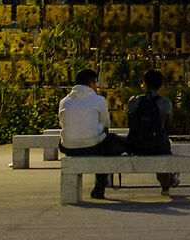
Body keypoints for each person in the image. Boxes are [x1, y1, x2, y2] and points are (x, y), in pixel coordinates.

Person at [59, 68, 130, 200]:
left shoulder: (64, 101)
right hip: (92, 146)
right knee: (107, 144)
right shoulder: (99, 100)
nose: (97, 87)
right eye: (96, 83)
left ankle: (99, 185)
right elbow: (106, 124)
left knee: (98, 141)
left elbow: (62, 123)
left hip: (69, 147)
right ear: (91, 84)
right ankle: (100, 185)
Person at [126, 69, 177, 199]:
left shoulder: (134, 101)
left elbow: (130, 124)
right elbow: (168, 126)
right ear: (160, 85)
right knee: (164, 145)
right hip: (157, 147)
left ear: (145, 84)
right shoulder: (165, 103)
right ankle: (166, 184)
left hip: (136, 146)